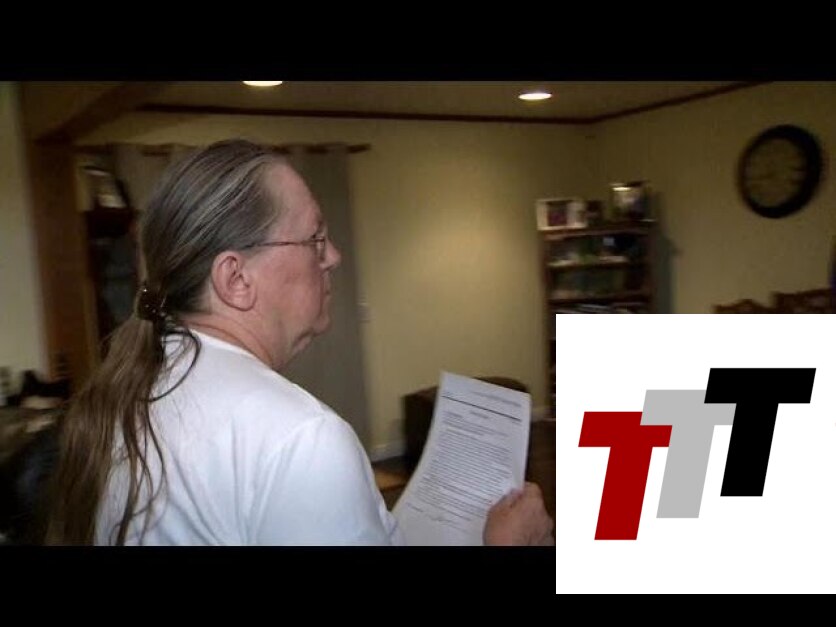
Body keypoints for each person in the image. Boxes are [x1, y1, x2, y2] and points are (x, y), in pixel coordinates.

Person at [42, 138, 554, 546]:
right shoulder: (301, 439)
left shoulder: (137, 388)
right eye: (314, 239)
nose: (333, 257)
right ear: (236, 279)